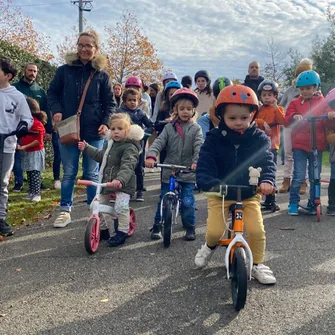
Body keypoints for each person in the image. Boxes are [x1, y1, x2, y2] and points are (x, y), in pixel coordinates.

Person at [195, 84, 276, 285]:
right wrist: (208, 181)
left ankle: (257, 264)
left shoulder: (258, 138)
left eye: (244, 118)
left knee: (256, 231)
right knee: (215, 231)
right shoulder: (214, 138)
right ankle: (209, 245)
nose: (238, 122)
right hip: (220, 192)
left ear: (252, 116)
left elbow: (267, 161)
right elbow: (206, 161)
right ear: (222, 117)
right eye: (232, 118)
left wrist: (267, 180)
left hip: (248, 193)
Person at [48, 30, 116, 228]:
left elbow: (110, 103)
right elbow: (52, 93)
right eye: (81, 45)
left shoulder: (102, 76)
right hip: (69, 129)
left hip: (94, 131)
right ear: (77, 47)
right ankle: (65, 210)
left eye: (89, 46)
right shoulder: (64, 70)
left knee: (92, 174)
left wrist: (106, 122)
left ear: (96, 49)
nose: (84, 49)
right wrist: (57, 111)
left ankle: (93, 209)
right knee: (68, 172)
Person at [145, 88, 203, 241]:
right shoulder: (169, 128)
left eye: (189, 109)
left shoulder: (196, 129)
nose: (185, 111)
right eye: (182, 108)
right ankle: (157, 225)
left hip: (187, 171)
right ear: (175, 109)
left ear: (193, 110)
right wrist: (151, 156)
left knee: (188, 201)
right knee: (163, 198)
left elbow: (199, 146)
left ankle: (190, 226)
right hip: (169, 170)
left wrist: (196, 162)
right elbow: (158, 142)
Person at [78, 113, 143, 246]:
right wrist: (87, 148)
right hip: (106, 183)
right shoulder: (109, 144)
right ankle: (103, 230)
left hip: (123, 184)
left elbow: (128, 166)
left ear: (127, 130)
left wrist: (120, 180)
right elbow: (101, 156)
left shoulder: (130, 147)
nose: (116, 132)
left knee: (121, 206)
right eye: (113, 129)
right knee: (96, 205)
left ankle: (122, 232)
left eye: (120, 129)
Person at [285, 70, 330, 215]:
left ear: (316, 87)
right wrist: (294, 116)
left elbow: (329, 119)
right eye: (302, 89)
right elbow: (286, 120)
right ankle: (293, 202)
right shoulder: (295, 103)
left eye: (308, 88)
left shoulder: (323, 102)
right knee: (298, 175)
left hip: (318, 145)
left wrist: (330, 115)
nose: (305, 91)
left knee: (315, 176)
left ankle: (313, 202)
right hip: (300, 145)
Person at [0, 57, 33, 236]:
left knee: (2, 182)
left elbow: (27, 118)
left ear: (8, 76)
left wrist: (23, 127)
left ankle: (1, 218)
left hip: (6, 144)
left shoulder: (17, 96)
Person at [12, 63, 58, 190]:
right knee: (18, 155)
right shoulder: (14, 88)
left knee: (34, 156)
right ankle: (19, 182)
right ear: (24, 71)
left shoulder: (40, 91)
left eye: (35, 71)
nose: (32, 73)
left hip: (35, 130)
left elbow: (46, 110)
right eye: (30, 70)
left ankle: (36, 183)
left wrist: (48, 130)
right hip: (18, 127)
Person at [279, 58, 313, 194]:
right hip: (289, 125)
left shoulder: (313, 91)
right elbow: (281, 106)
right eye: (300, 74)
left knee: (302, 153)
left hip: (304, 127)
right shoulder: (290, 90)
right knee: (288, 153)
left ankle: (302, 181)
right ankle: (286, 179)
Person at [117, 88, 154, 201]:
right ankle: (123, 190)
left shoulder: (140, 113)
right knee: (122, 167)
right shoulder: (119, 112)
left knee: (138, 168)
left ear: (138, 101)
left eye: (135, 100)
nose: (132, 102)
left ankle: (139, 190)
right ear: (124, 101)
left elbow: (150, 126)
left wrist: (144, 134)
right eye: (130, 100)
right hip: (122, 145)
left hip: (137, 145)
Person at [255, 79, 285, 210]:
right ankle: (257, 198)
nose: (267, 97)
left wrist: (275, 107)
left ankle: (271, 200)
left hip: (272, 146)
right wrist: (263, 123)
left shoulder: (278, 109)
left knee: (270, 172)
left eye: (270, 95)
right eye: (264, 95)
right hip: (259, 146)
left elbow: (283, 121)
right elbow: (252, 120)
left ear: (275, 96)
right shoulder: (258, 110)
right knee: (258, 172)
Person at [18, 98, 47, 202]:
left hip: (35, 151)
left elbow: (38, 141)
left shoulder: (36, 123)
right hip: (28, 151)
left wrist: (24, 147)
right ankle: (31, 192)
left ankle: (37, 193)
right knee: (29, 172)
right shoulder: (27, 121)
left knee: (34, 172)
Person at [324, 88, 335, 215]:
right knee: (334, 180)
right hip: (334, 158)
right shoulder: (331, 122)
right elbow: (330, 138)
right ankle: (332, 204)